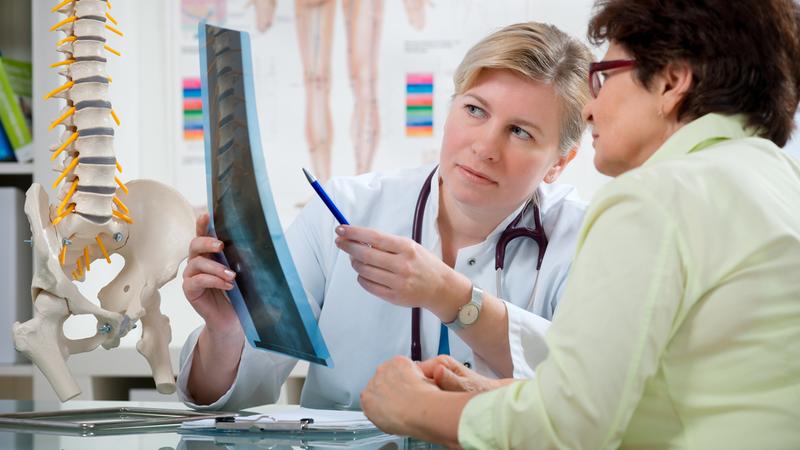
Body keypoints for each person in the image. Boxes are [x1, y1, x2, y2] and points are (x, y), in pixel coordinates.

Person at [359, 0, 800, 448]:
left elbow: (571, 428)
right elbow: (677, 398)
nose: (591, 110)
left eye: (605, 77)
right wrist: (488, 394)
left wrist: (412, 406)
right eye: (474, 110)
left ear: (671, 82)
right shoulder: (781, 181)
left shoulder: (656, 198)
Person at [178, 21, 594, 410]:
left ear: (560, 162)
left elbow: (587, 396)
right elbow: (235, 401)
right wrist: (228, 331)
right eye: (475, 110)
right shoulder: (342, 213)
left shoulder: (586, 241)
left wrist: (449, 296)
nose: (485, 147)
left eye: (520, 132)